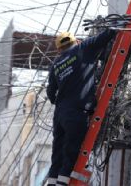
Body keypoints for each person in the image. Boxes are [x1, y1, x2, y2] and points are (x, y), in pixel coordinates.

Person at [46, 29, 116, 186]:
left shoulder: (56, 65)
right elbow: (106, 35)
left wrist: (60, 101)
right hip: (77, 111)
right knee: (72, 150)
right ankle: (63, 182)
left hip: (59, 114)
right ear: (75, 41)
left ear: (59, 49)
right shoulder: (82, 48)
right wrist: (119, 24)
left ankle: (52, 182)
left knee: (57, 152)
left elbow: (51, 93)